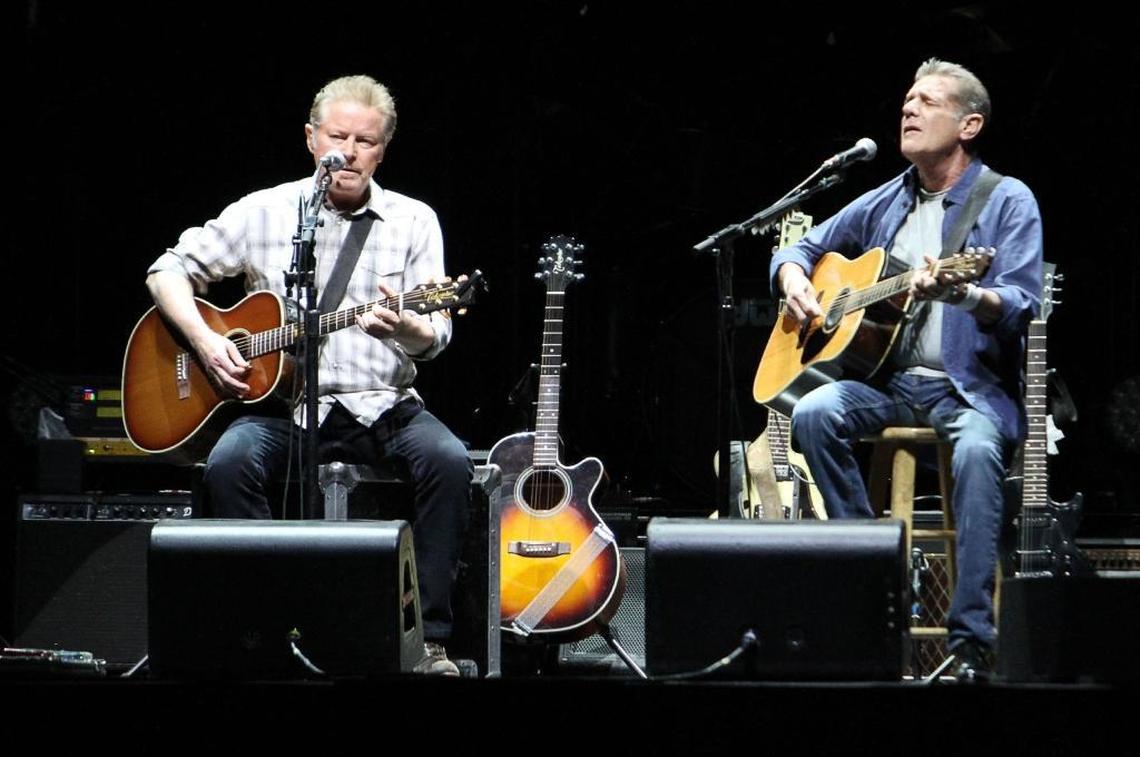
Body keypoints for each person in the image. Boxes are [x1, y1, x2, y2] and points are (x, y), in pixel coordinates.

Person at [146, 74, 472, 676]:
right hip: (289, 412)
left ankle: (427, 642)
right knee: (228, 463)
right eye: (337, 137)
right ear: (311, 138)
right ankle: (270, 625)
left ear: (384, 149)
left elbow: (437, 335)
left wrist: (402, 327)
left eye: (365, 142)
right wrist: (207, 341)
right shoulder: (264, 210)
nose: (348, 153)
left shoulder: (414, 220)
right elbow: (166, 270)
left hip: (385, 405)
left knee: (450, 464)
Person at [770, 58, 1042, 681]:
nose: (908, 110)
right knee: (812, 411)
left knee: (976, 454)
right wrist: (790, 277)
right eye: (906, 101)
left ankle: (970, 636)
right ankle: (880, 577)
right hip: (890, 385)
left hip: (968, 393)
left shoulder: (1006, 200)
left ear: (968, 124)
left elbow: (1020, 303)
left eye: (926, 101)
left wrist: (965, 294)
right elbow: (800, 247)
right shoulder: (888, 198)